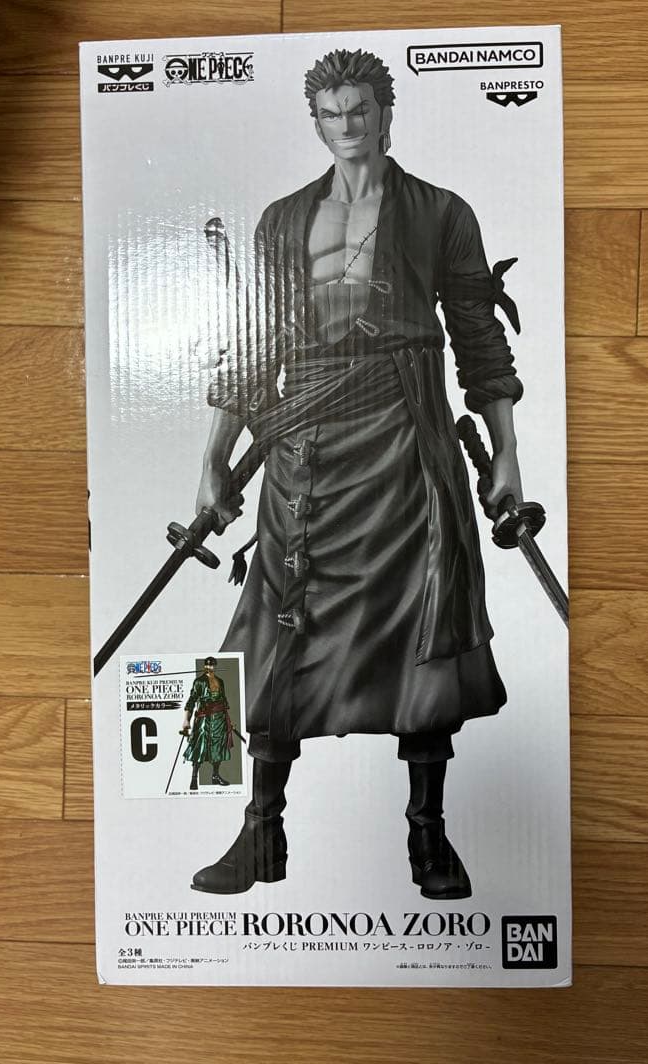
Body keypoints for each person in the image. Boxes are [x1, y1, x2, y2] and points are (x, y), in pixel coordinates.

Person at [191, 48, 524, 898]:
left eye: (361, 110)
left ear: (386, 113)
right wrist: (213, 460)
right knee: (277, 631)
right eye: (332, 114)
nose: (348, 126)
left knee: (425, 625)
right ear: (316, 122)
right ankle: (260, 834)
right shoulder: (281, 221)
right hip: (303, 448)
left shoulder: (442, 213)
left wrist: (507, 458)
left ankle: (427, 836)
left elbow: (480, 341)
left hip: (407, 439)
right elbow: (256, 343)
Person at [181, 657, 234, 790]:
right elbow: (191, 700)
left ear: (215, 666)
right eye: (208, 665)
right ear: (205, 666)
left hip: (220, 719)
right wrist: (186, 720)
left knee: (218, 748)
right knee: (200, 746)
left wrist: (229, 721)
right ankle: (194, 778)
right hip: (204, 718)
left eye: (212, 666)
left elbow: (224, 700)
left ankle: (215, 776)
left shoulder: (220, 681)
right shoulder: (199, 682)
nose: (210, 668)